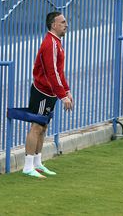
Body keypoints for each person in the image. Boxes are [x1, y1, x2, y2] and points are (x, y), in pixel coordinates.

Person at [22, 12, 73, 178]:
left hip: (49, 91)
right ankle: (28, 166)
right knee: (36, 126)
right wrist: (62, 96)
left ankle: (37, 163)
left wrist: (67, 90)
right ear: (54, 25)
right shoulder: (50, 43)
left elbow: (59, 72)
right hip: (42, 91)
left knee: (43, 127)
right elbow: (51, 73)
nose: (66, 24)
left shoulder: (57, 43)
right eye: (63, 22)